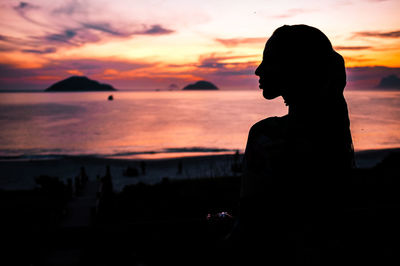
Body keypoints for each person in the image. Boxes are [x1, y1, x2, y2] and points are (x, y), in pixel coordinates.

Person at [237, 25, 355, 264]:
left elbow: (250, 224)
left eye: (269, 60)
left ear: (294, 68)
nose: (258, 70)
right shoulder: (333, 135)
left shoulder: (267, 135)